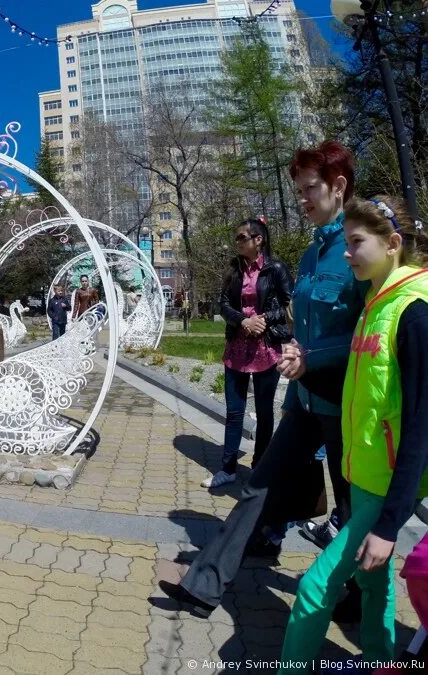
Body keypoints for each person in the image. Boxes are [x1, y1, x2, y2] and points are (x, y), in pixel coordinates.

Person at [155, 140, 367, 618]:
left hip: (346, 402)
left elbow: (369, 330)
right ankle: (203, 586)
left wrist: (313, 354)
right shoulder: (314, 253)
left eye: (309, 189)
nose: (303, 199)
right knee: (258, 486)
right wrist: (293, 343)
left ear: (338, 186)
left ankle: (357, 596)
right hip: (305, 399)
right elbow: (302, 318)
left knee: (352, 505)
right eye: (298, 191)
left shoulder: (358, 247)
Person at [277, 195, 428, 673]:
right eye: (344, 243)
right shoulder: (373, 303)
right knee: (372, 582)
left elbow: (423, 426)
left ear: (393, 244)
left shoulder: (415, 313)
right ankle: (382, 659)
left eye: (356, 242)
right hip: (361, 475)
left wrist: (388, 525)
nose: (347, 254)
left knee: (313, 589)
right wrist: (306, 372)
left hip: (384, 487)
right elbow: (361, 390)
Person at [202, 216, 293, 489]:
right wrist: (243, 320)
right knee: (234, 411)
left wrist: (265, 318)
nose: (237, 242)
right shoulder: (233, 270)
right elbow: (224, 304)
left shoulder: (275, 269)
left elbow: (291, 303)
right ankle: (227, 468)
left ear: (258, 239)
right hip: (237, 348)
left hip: (266, 348)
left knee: (265, 412)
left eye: (242, 237)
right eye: (237, 237)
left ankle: (259, 467)